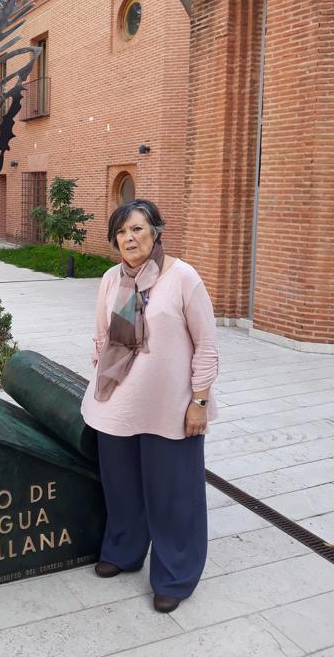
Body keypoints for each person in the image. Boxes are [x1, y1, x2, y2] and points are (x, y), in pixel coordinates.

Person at [80, 199, 218, 613]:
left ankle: (175, 574)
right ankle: (123, 551)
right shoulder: (110, 278)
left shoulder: (182, 278)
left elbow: (208, 346)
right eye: (121, 232)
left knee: (174, 494)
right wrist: (104, 363)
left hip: (170, 407)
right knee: (121, 487)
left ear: (156, 231)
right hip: (117, 402)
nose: (129, 238)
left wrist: (199, 402)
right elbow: (102, 336)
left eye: (138, 229)